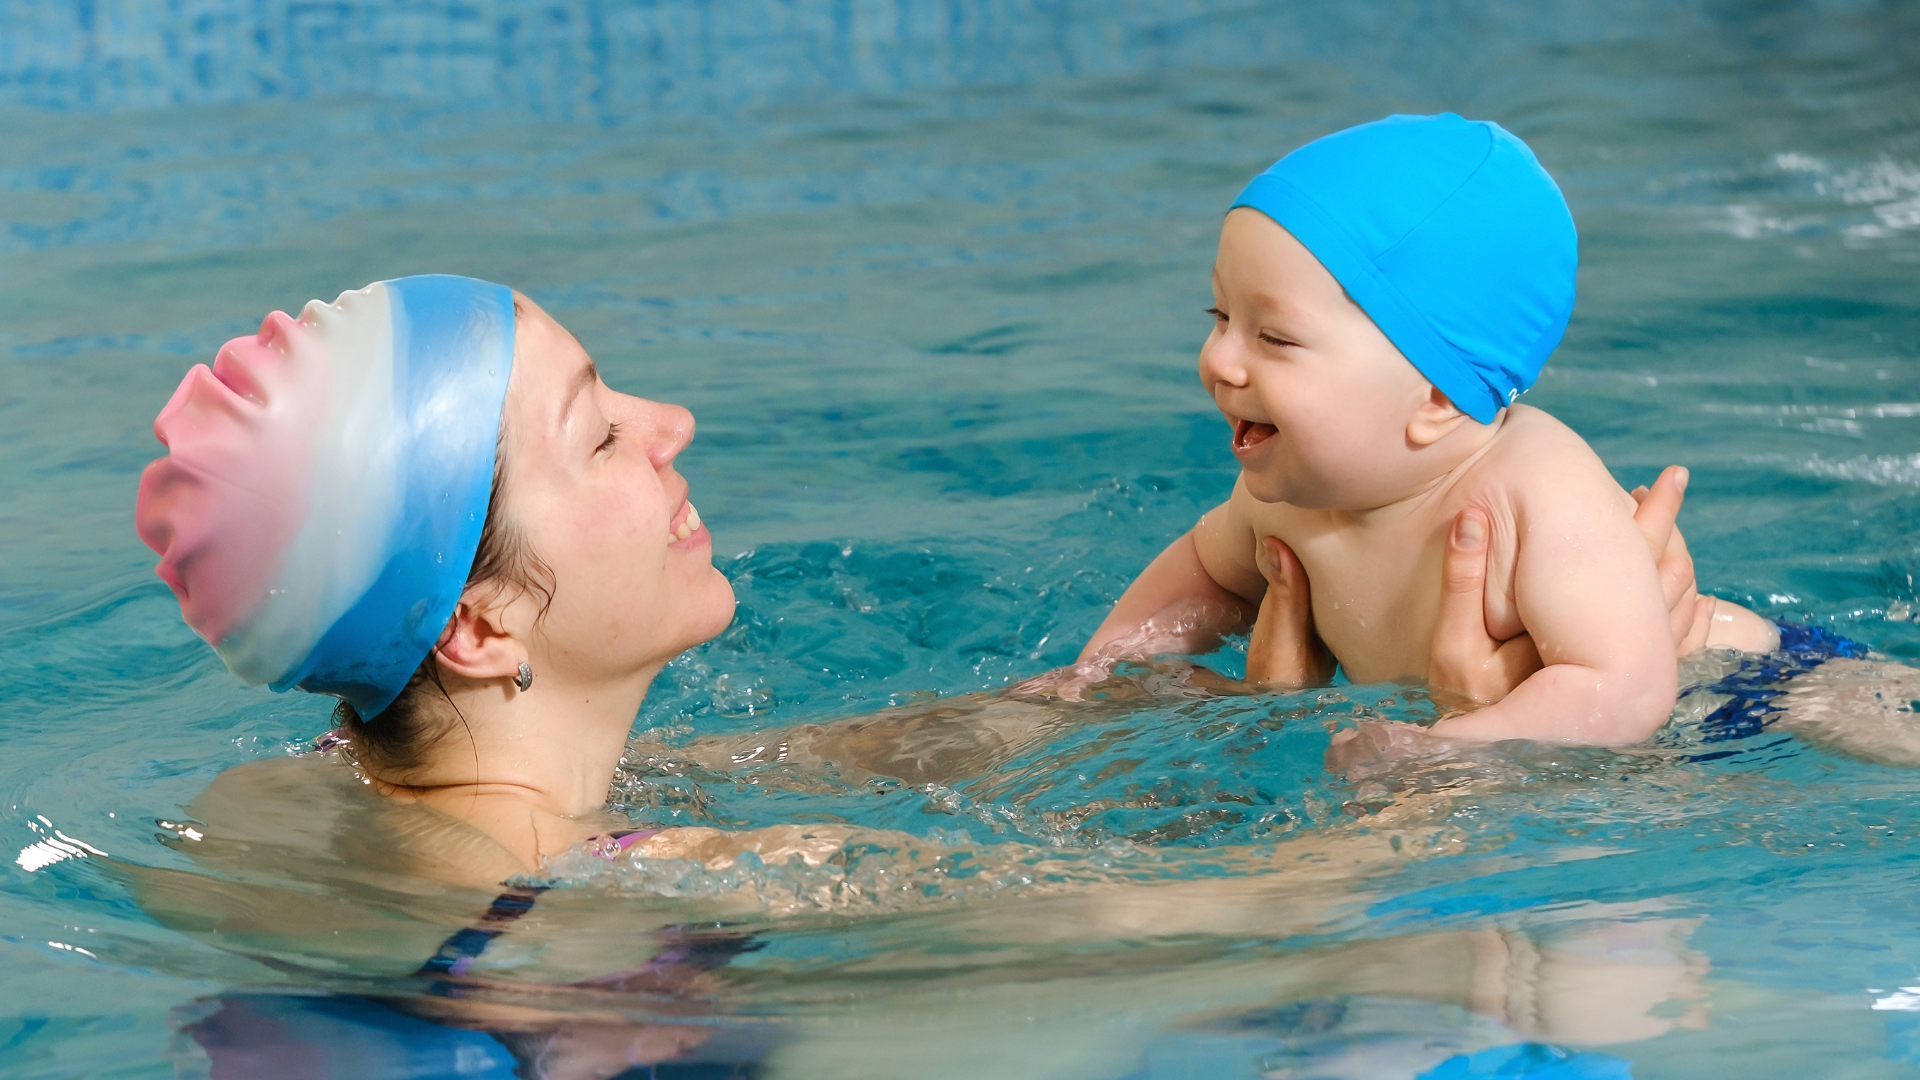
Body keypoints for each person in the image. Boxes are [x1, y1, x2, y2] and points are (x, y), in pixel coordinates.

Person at [1078, 113, 1780, 748]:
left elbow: (1625, 688)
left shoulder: (1534, 488)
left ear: (1438, 398)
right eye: (1219, 315)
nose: (1220, 360)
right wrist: (1100, 669)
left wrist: (1453, 750)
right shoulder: (1286, 490)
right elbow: (1209, 576)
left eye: (1275, 338)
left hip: (1758, 694)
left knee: (1884, 738)